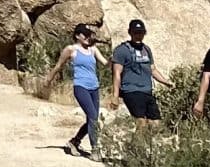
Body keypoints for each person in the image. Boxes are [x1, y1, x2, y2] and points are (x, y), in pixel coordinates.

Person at [44, 23, 108, 158]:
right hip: (81, 86)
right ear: (78, 36)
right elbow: (59, 65)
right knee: (93, 117)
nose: (87, 37)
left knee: (93, 118)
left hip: (94, 87)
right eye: (84, 34)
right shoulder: (71, 49)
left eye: (88, 34)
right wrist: (48, 80)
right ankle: (95, 150)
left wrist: (117, 60)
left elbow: (106, 63)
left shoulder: (93, 50)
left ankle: (74, 142)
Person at [111, 19, 161, 122]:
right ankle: (139, 139)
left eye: (141, 32)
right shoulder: (121, 50)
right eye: (136, 32)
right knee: (141, 122)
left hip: (147, 91)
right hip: (131, 91)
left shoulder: (146, 49)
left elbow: (153, 69)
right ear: (130, 32)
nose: (138, 35)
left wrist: (167, 82)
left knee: (156, 122)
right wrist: (115, 96)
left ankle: (146, 139)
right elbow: (117, 73)